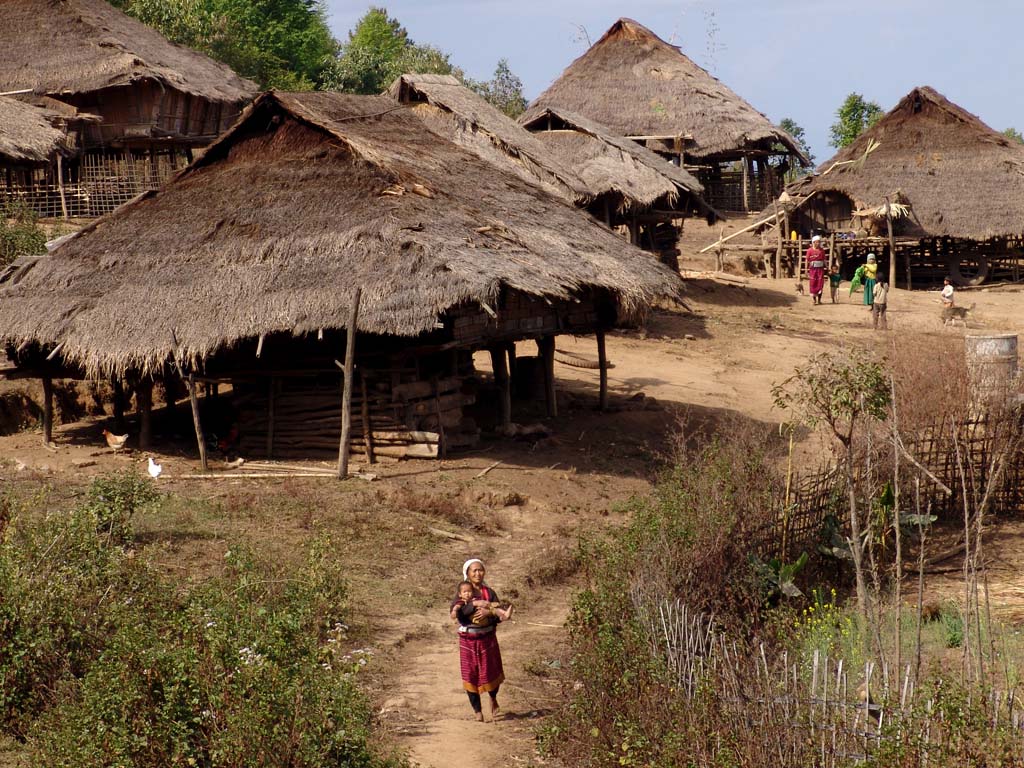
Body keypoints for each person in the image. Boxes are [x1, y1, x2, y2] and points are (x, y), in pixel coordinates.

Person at [455, 558, 506, 722]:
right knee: (470, 674)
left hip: (487, 638)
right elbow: (458, 615)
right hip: (468, 640)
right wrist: (475, 604)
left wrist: (489, 613)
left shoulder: (489, 593)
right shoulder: (463, 593)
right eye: (474, 571)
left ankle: (493, 698)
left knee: (490, 671)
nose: (478, 573)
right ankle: (477, 710)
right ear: (467, 574)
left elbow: (499, 615)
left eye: (480, 570)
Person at [805, 235, 827, 305]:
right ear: (813, 242)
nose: (818, 243)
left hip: (820, 270)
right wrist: (806, 269)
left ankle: (819, 300)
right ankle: (814, 300)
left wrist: (827, 267)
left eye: (819, 242)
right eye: (817, 242)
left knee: (820, 283)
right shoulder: (810, 250)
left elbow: (824, 260)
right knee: (813, 283)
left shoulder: (821, 250)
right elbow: (807, 260)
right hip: (813, 270)